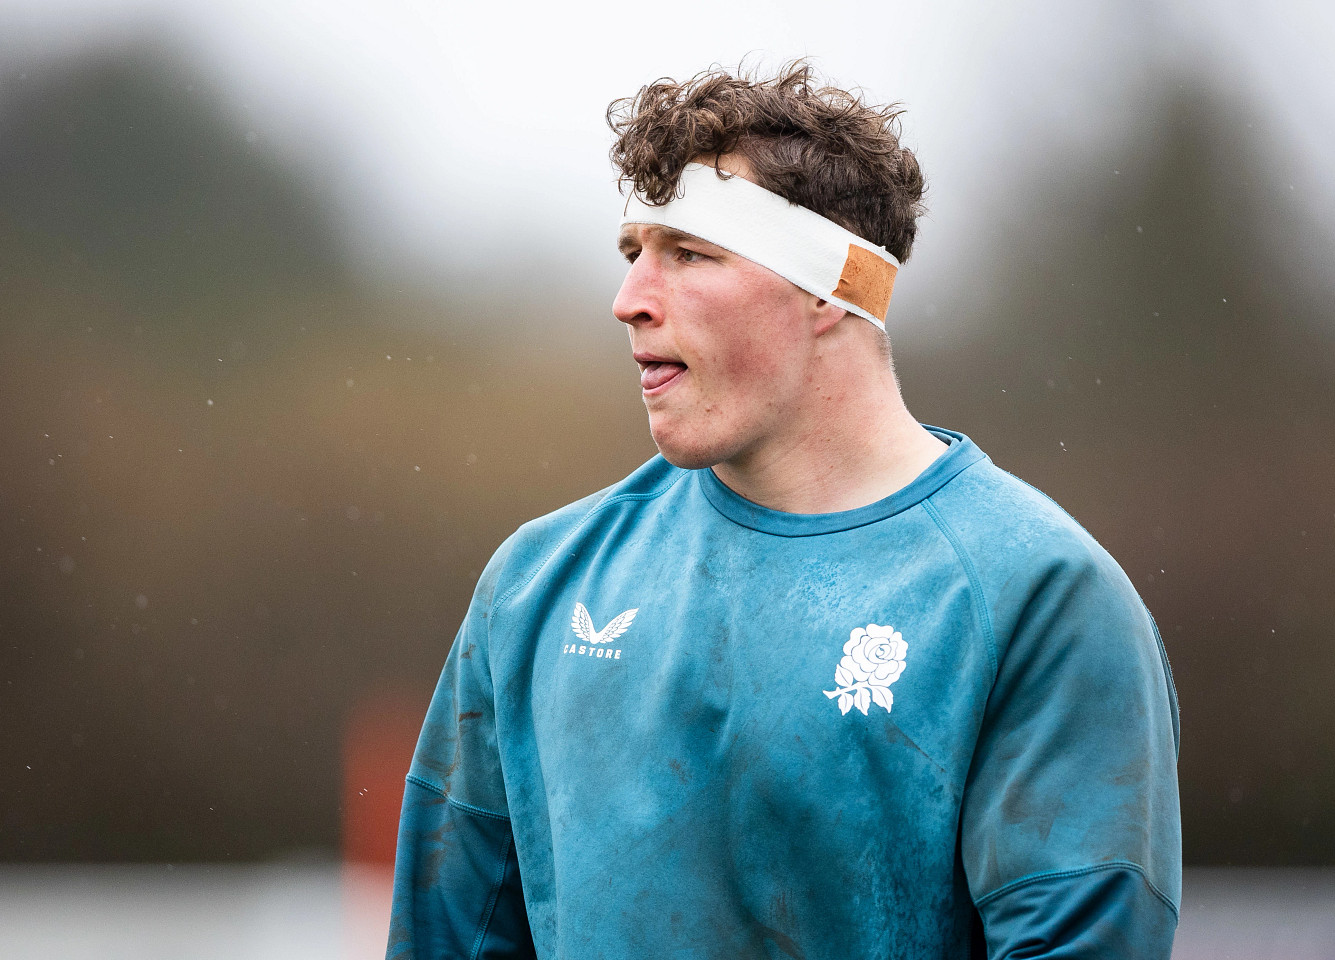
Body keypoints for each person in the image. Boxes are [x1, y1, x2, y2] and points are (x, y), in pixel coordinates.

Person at [387, 62, 1181, 959]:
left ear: (829, 288)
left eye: (690, 253)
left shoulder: (1035, 597)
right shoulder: (539, 584)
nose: (629, 300)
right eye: (633, 253)